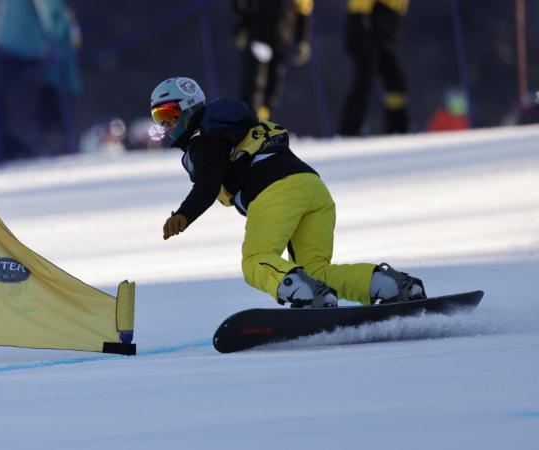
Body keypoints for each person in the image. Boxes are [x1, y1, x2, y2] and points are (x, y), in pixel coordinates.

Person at [151, 76, 425, 308]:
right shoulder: (233, 127)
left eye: (169, 114)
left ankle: (304, 296)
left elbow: (207, 186)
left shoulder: (205, 140)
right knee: (316, 272)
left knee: (255, 261)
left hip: (275, 192)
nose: (166, 125)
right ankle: (390, 286)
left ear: (189, 108)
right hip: (313, 188)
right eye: (159, 118)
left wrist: (184, 215)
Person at [233, 0, 313, 121]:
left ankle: (261, 123)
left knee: (273, 88)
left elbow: (303, 9)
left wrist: (302, 39)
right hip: (258, 35)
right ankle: (246, 125)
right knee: (254, 86)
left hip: (282, 39)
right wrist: (241, 27)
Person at [338, 0, 409, 136]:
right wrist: (365, 32)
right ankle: (349, 129)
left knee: (396, 83)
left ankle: (398, 128)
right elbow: (358, 9)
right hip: (364, 35)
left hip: (382, 39)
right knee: (365, 80)